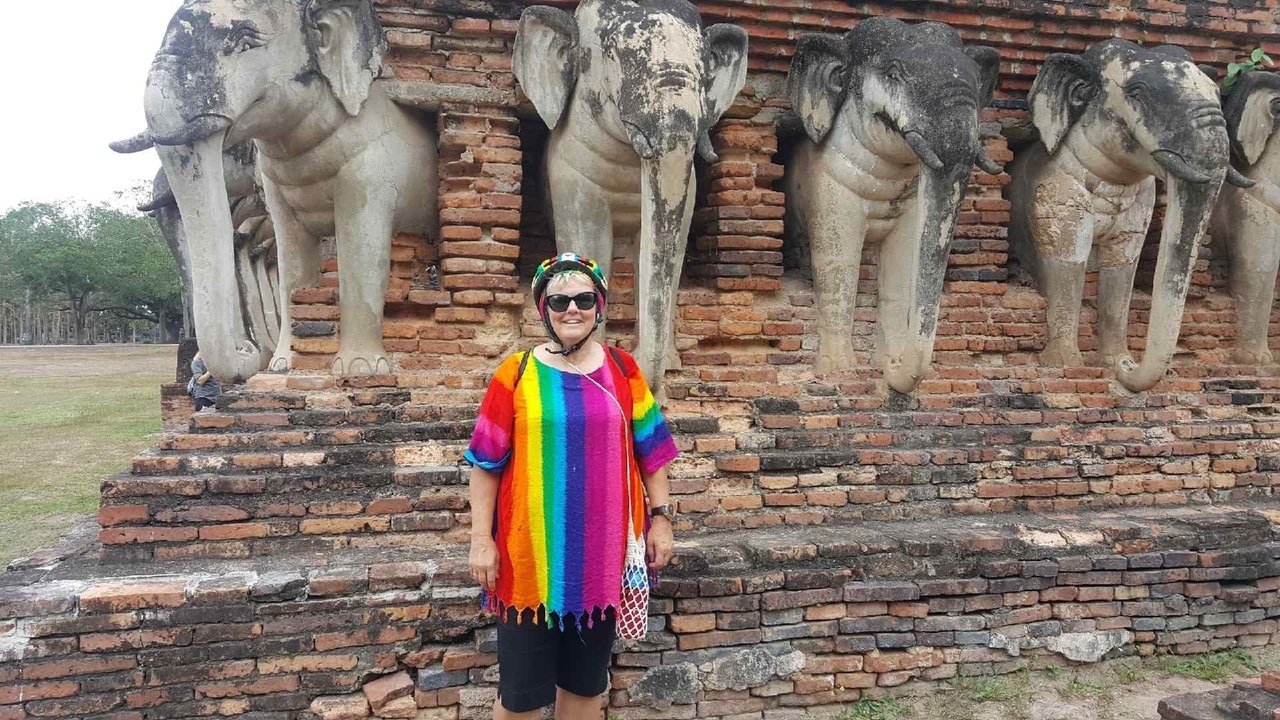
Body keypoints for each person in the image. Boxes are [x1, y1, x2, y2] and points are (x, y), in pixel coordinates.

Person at [466, 253, 679, 720]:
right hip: (528, 563)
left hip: (600, 562)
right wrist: (481, 540)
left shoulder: (623, 371)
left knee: (584, 688)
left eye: (583, 298)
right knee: (520, 697)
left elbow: (652, 451)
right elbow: (485, 463)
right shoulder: (515, 373)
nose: (572, 309)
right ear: (544, 308)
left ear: (599, 305)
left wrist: (661, 521)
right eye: (559, 299)